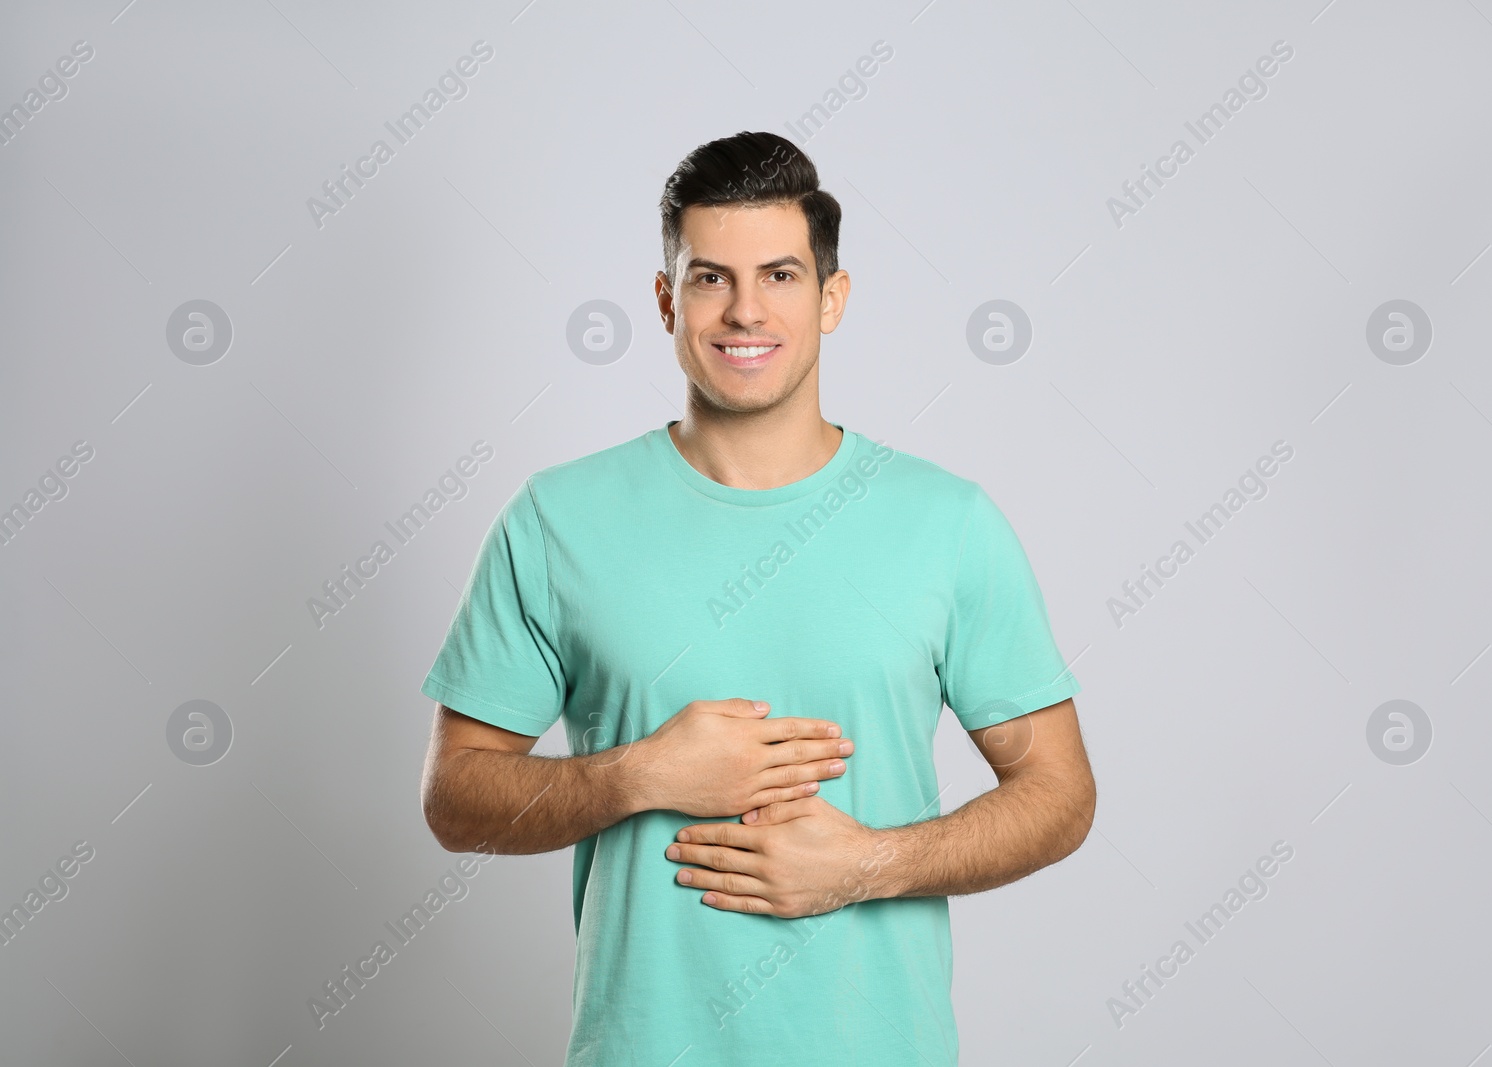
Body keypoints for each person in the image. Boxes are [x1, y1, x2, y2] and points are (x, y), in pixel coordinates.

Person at [418, 129, 1096, 1066]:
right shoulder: (556, 519)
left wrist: (868, 863)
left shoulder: (947, 523)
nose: (745, 311)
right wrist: (638, 774)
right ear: (666, 299)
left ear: (832, 297)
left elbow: (1060, 793)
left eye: (780, 275)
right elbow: (455, 797)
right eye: (709, 278)